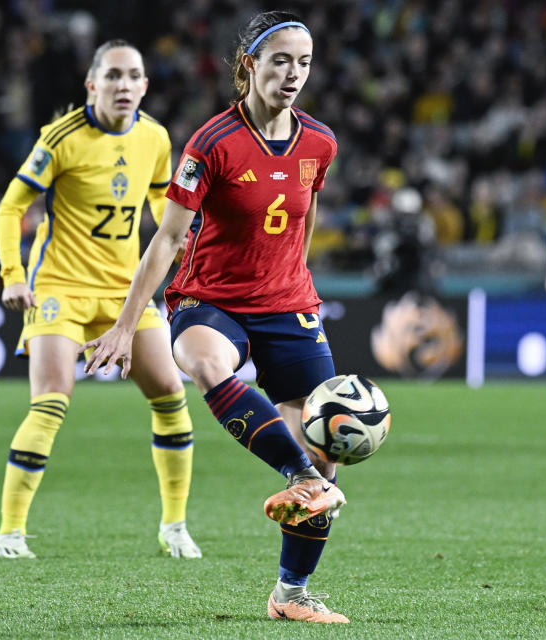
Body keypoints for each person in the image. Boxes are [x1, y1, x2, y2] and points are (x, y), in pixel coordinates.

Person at [83, 12, 349, 624]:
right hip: (210, 296)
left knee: (327, 448)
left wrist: (296, 281)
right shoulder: (211, 143)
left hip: (288, 304)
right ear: (250, 64)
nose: (293, 73)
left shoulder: (321, 143)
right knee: (203, 361)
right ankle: (299, 474)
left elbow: (306, 214)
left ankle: (292, 595)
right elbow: (168, 239)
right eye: (280, 60)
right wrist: (128, 321)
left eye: (303, 62)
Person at [0, 39, 202, 559]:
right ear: (92, 84)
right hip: (59, 288)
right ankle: (9, 532)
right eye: (112, 76)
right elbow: (9, 208)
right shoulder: (61, 137)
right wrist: (13, 274)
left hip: (125, 291)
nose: (124, 85)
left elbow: (158, 200)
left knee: (172, 398)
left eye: (133, 76)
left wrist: (188, 238)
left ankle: (174, 526)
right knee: (52, 399)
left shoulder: (154, 137)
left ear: (145, 85)